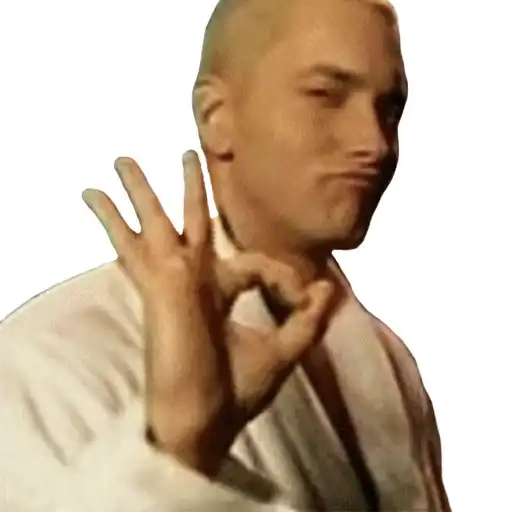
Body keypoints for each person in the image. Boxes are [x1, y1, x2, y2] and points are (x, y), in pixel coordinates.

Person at [0, 0, 451, 510]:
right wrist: (180, 445)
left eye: (390, 109)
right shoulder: (45, 359)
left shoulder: (386, 361)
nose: (375, 144)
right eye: (326, 96)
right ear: (216, 117)